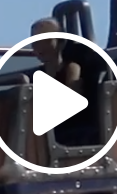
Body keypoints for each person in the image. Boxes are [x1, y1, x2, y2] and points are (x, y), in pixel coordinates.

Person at [29, 17, 109, 147]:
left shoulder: (71, 69)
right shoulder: (34, 76)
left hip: (68, 132)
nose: (40, 46)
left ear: (61, 43)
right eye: (36, 41)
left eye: (47, 40)